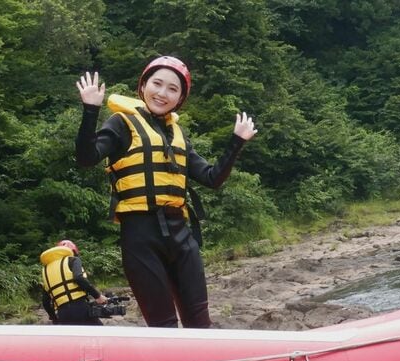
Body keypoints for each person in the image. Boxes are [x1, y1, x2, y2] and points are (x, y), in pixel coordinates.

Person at [74, 55, 257, 328]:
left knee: (200, 323)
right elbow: (86, 158)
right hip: (140, 237)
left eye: (172, 89)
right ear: (143, 85)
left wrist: (237, 142)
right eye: (157, 84)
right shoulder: (121, 123)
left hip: (181, 235)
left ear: (180, 98)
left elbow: (212, 178)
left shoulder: (178, 135)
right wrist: (90, 111)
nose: (162, 93)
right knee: (164, 326)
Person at [40, 239, 108, 325]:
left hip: (62, 314)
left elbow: (45, 302)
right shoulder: (73, 260)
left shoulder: (46, 271)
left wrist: (54, 318)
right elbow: (78, 278)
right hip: (80, 308)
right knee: (99, 332)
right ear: (73, 251)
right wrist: (98, 296)